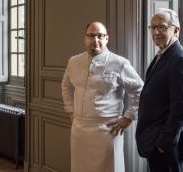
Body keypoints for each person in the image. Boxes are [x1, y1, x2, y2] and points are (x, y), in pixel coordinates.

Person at [61, 22, 143, 172]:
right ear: (85, 39)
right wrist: (70, 110)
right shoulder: (74, 62)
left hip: (108, 130)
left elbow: (140, 91)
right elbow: (66, 86)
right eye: (91, 36)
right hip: (79, 130)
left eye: (100, 35)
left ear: (107, 38)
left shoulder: (120, 63)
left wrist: (128, 117)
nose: (95, 40)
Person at [136, 8, 183, 172]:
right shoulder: (162, 54)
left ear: (176, 30)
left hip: (167, 145)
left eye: (162, 26)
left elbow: (181, 108)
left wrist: (162, 144)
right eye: (153, 27)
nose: (156, 31)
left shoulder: (181, 59)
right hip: (155, 140)